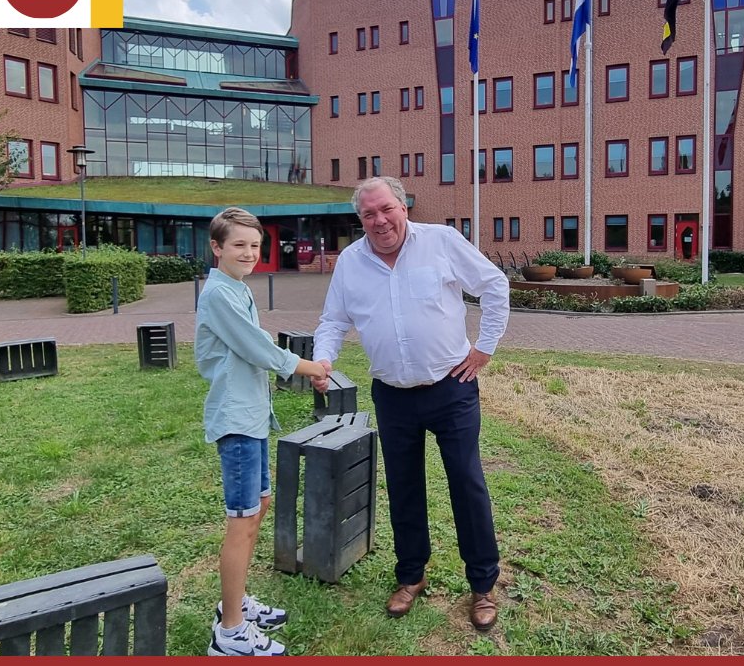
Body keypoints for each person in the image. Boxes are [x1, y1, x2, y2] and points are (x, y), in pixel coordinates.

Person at [312, 176, 510, 631]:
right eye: (368, 214)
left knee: (467, 484)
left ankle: (482, 584)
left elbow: (494, 285)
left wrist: (485, 347)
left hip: (451, 388)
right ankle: (411, 575)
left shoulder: (441, 241)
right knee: (403, 487)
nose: (379, 221)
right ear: (359, 219)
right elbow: (333, 321)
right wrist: (323, 359)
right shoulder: (351, 262)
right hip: (392, 394)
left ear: (403, 208)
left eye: (387, 209)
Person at [195, 207, 327, 657]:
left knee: (258, 507)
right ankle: (230, 633)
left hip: (252, 418)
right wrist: (310, 367)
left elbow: (256, 345)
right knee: (243, 521)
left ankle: (235, 603)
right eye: (239, 245)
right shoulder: (219, 294)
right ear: (217, 247)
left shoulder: (236, 288)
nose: (250, 253)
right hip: (236, 421)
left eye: (255, 245)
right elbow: (258, 348)